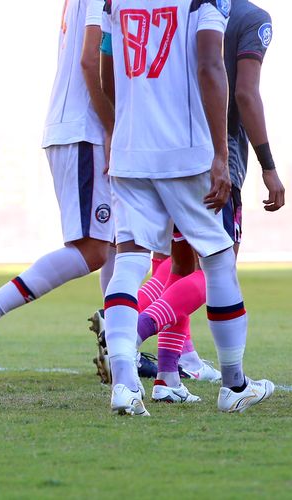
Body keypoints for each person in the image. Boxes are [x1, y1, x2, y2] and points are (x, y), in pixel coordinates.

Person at [99, 0, 274, 415]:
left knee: (129, 261)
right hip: (185, 150)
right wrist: (218, 154)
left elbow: (107, 74)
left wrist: (124, 127)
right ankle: (234, 384)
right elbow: (210, 65)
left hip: (131, 148)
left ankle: (124, 383)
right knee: (216, 259)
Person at [0, 0, 116, 353]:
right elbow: (91, 59)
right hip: (86, 130)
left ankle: (120, 345)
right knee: (94, 251)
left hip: (78, 127)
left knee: (120, 242)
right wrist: (111, 128)